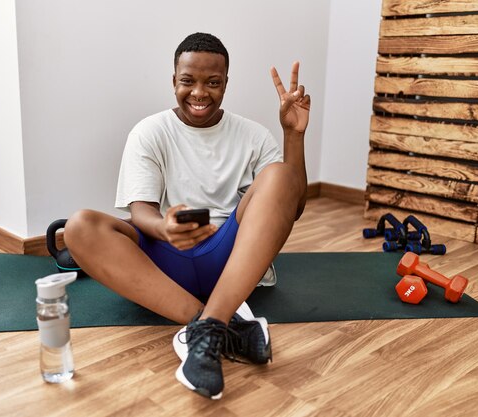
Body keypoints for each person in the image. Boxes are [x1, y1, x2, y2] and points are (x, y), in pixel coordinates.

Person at [63, 32, 310, 399]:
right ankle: (216, 327)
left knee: (279, 174)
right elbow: (142, 212)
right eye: (187, 81)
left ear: (226, 83)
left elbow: (293, 204)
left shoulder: (254, 135)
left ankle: (210, 325)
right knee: (79, 226)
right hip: (168, 260)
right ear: (173, 81)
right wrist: (163, 228)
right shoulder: (150, 132)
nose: (199, 93)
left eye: (212, 82)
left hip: (232, 258)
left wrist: (293, 136)